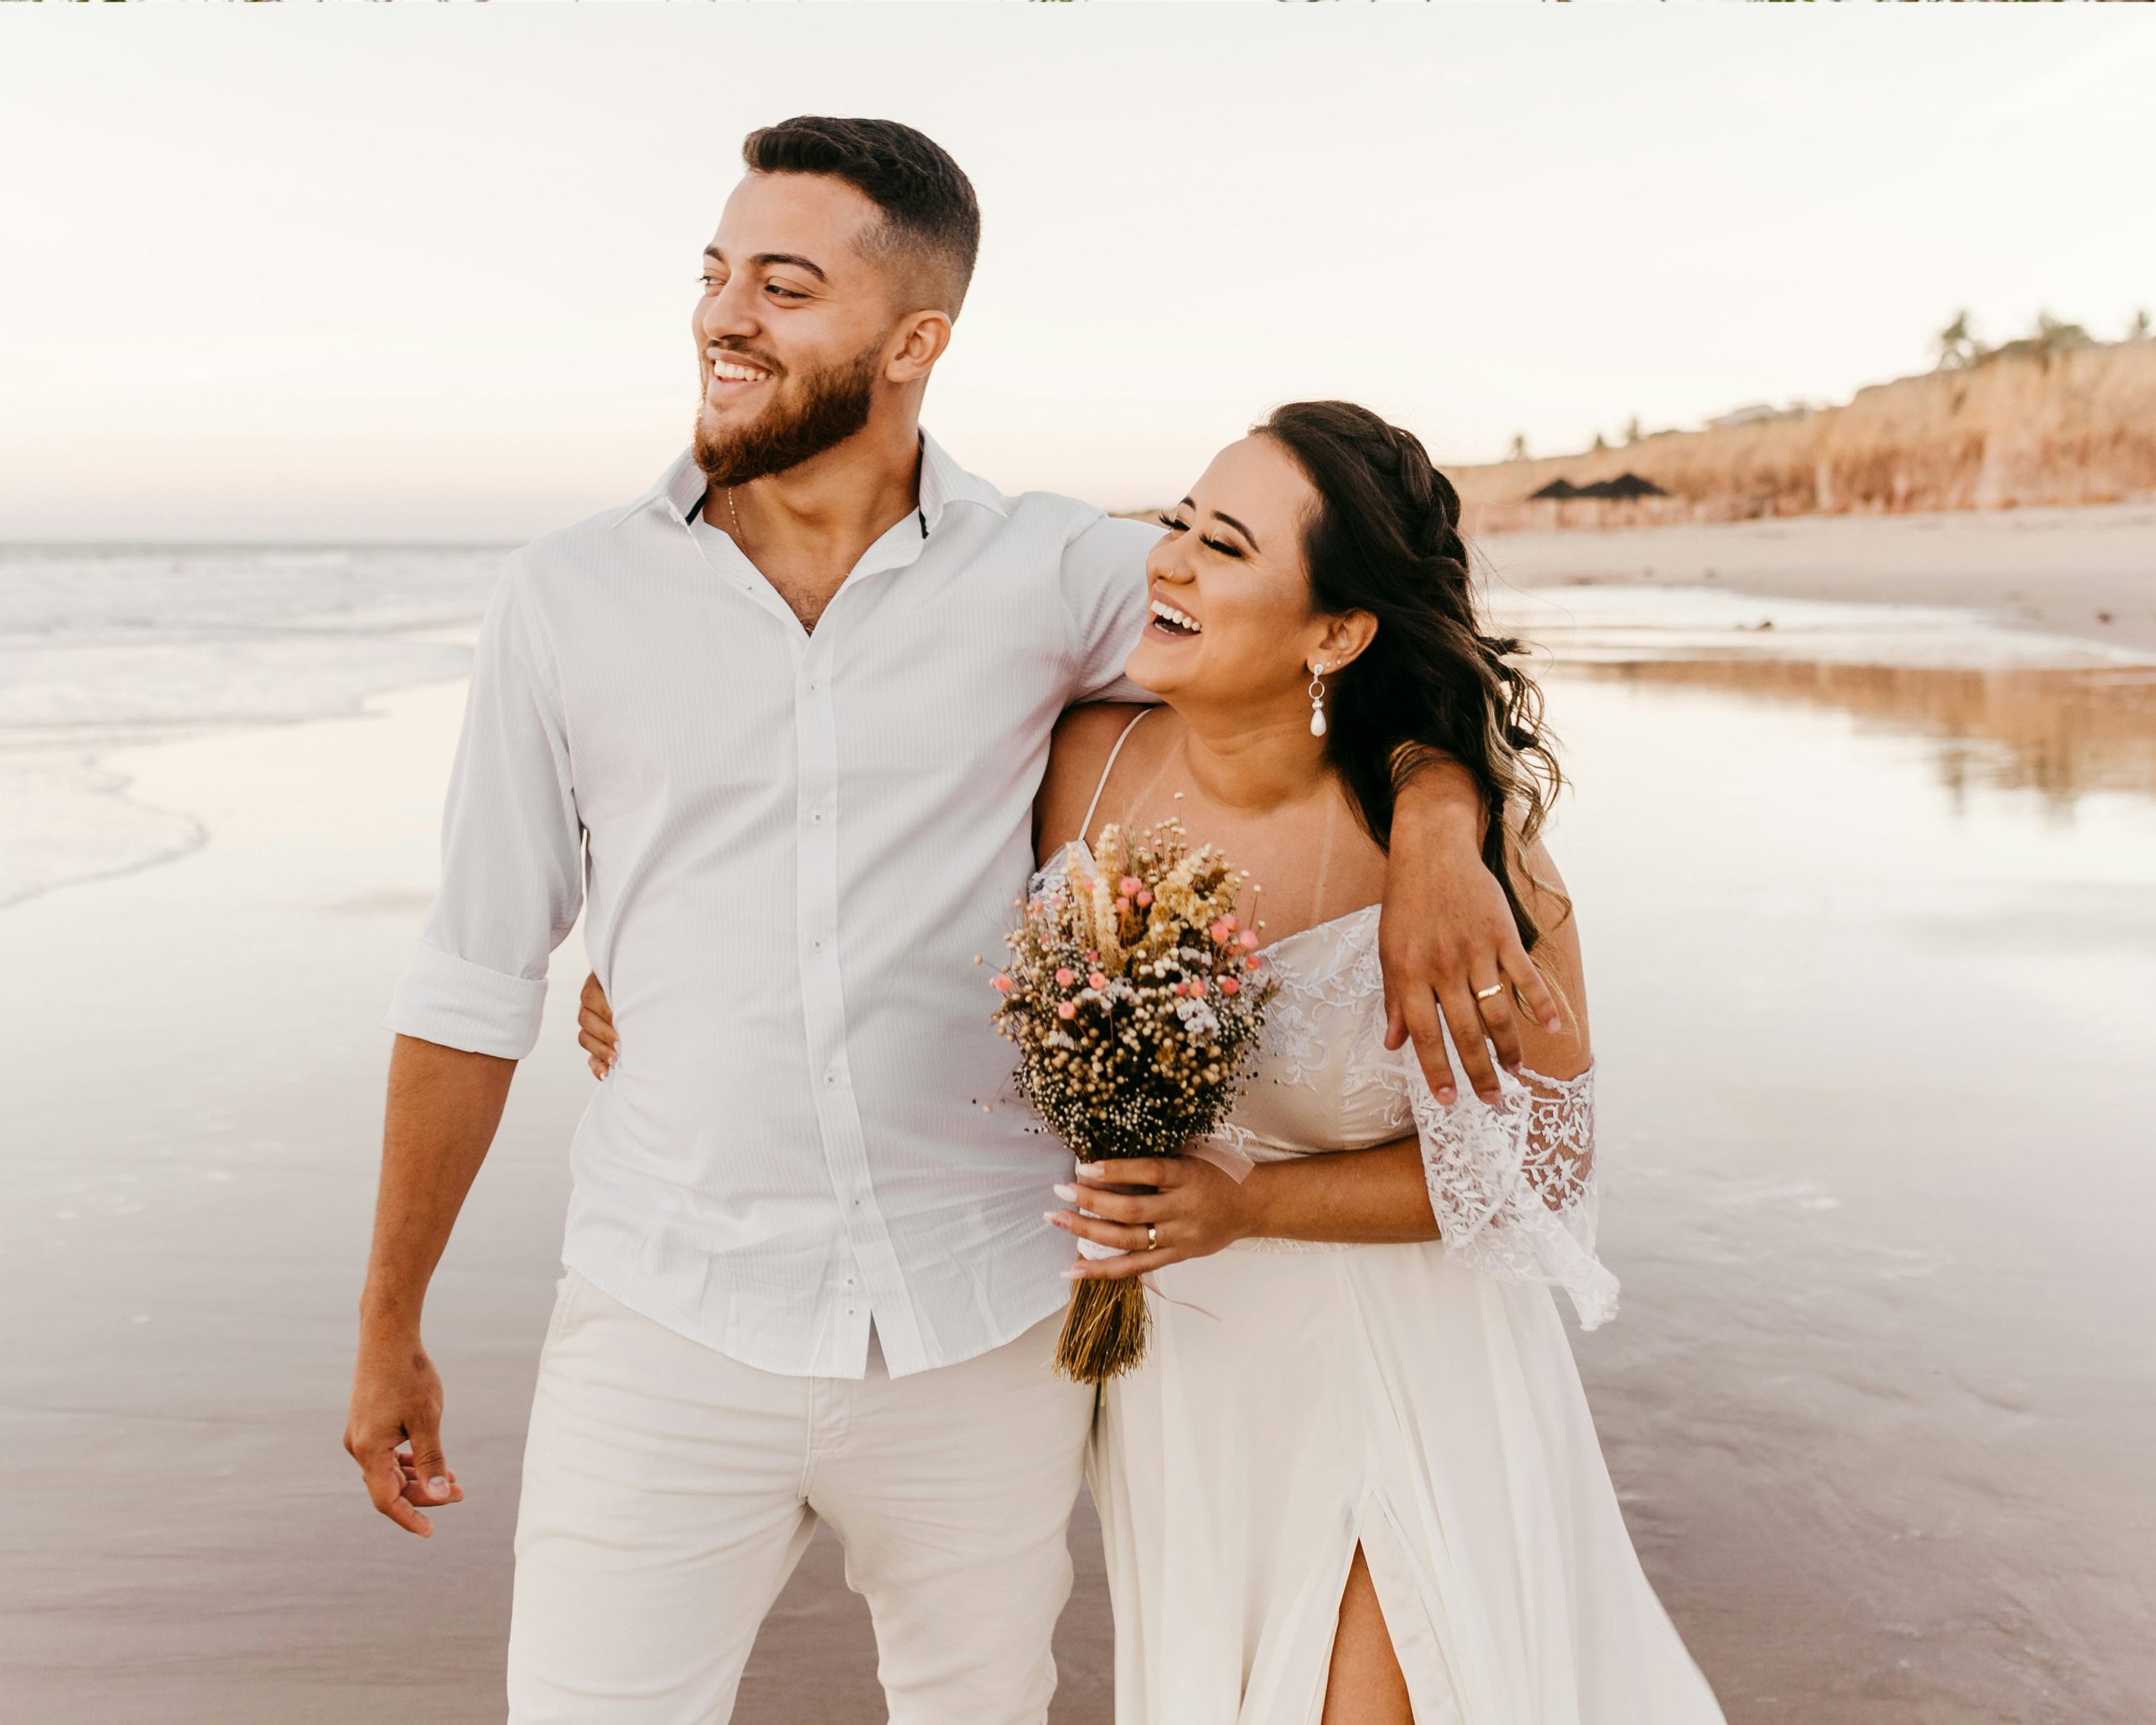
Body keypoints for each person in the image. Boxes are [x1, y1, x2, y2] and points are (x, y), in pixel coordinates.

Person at [344, 119, 1541, 1724]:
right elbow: (475, 972)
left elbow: (1327, 640)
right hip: (665, 1317)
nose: (724, 316)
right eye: (714, 274)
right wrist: (389, 1321)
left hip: (983, 1320)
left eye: (784, 284)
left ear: (916, 342)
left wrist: (1444, 815)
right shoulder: (565, 601)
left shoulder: (1048, 571)